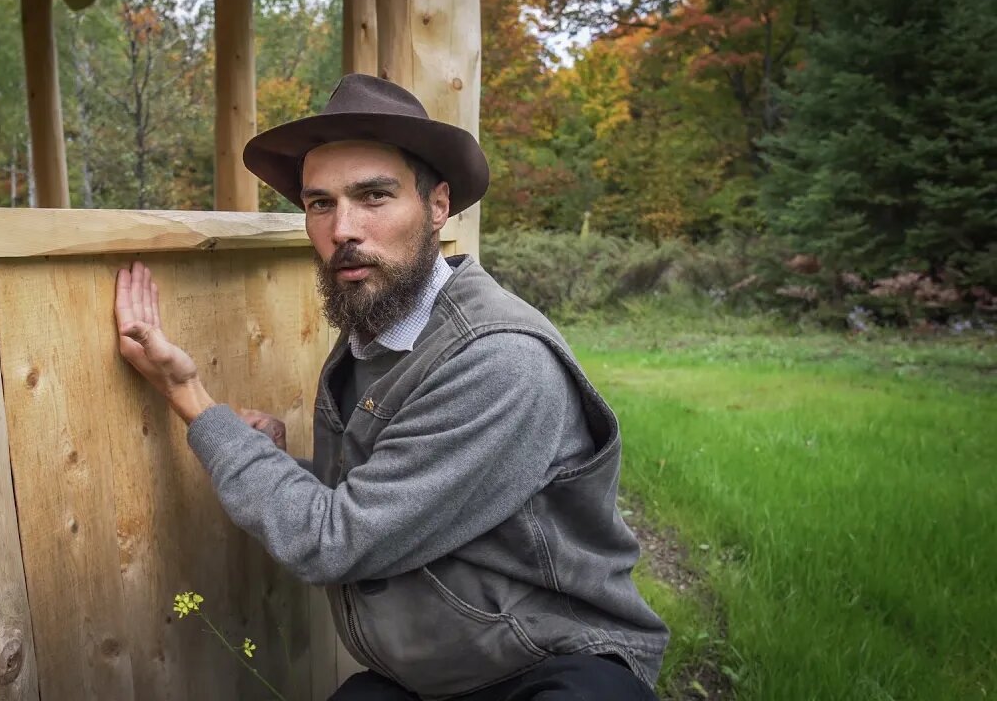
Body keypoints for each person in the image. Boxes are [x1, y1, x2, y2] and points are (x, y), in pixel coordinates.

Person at [113, 74, 668, 700]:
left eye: (373, 196)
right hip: (428, 673)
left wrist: (189, 396)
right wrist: (272, 458)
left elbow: (335, 538)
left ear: (436, 206)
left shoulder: (498, 360)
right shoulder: (378, 332)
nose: (343, 228)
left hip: (550, 663)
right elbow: (392, 495)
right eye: (320, 203)